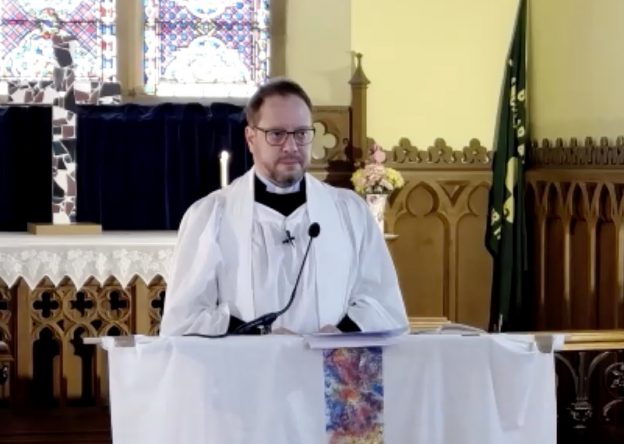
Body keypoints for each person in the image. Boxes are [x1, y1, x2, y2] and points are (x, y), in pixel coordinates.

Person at [160, 78, 408, 336]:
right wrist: (259, 337)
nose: (291, 146)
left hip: (330, 368)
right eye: (276, 134)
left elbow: (382, 303)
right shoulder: (212, 216)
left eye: (301, 133)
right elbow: (185, 317)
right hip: (248, 371)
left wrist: (340, 333)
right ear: (251, 138)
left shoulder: (350, 212)